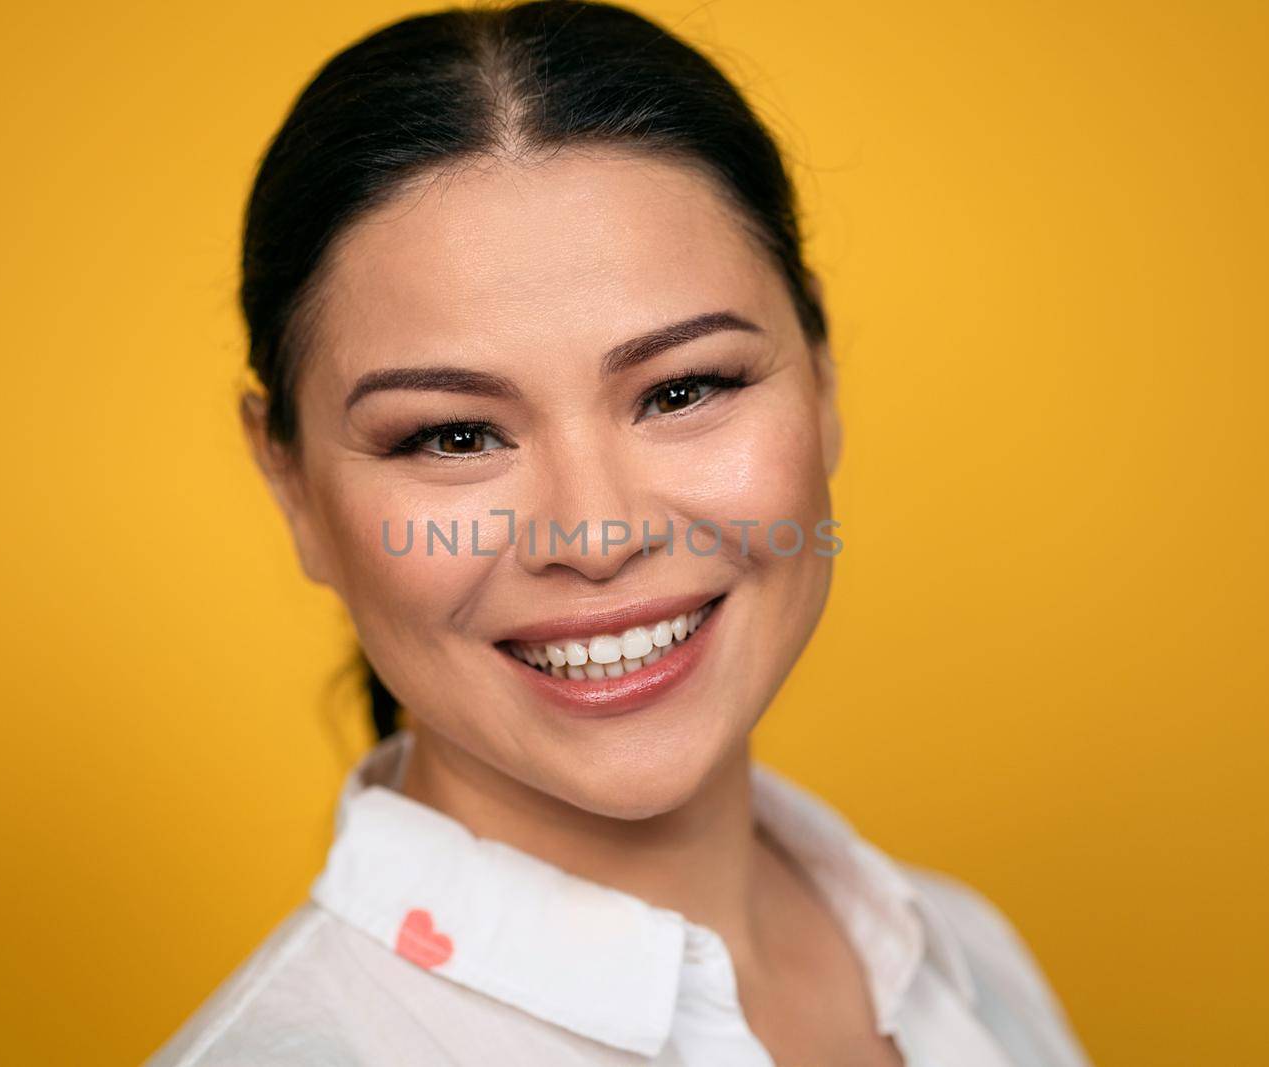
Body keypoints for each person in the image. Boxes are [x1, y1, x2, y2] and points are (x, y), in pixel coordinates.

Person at [148, 2, 1092, 1064]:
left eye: (683, 387)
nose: (596, 533)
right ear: (292, 486)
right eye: (453, 433)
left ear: (822, 378)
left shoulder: (970, 957)